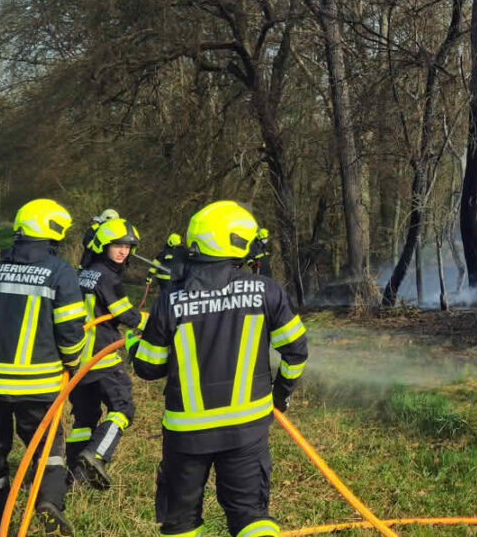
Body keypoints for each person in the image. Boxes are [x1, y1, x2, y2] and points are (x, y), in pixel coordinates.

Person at [134, 201, 308, 537]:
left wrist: (133, 345)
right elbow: (296, 351)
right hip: (246, 428)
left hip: (186, 434)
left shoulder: (170, 299)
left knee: (181, 522)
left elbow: (148, 368)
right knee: (251, 517)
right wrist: (280, 395)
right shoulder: (267, 291)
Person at [0, 199, 87, 537]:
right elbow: (70, 329)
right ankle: (49, 500)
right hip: (36, 383)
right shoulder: (60, 272)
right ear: (53, 233)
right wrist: (73, 361)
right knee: (48, 447)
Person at [66, 217, 144, 492]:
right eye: (117, 246)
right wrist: (154, 323)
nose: (123, 251)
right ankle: (97, 454)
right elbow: (126, 315)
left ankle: (73, 477)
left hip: (78, 360)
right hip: (103, 357)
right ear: (103, 246)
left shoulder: (84, 272)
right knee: (122, 409)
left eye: (128, 247)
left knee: (84, 419)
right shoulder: (107, 276)